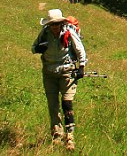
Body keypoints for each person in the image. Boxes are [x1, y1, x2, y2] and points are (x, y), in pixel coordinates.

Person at [32, 8, 86, 150]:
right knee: (53, 105)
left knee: (67, 103)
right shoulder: (44, 34)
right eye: (52, 24)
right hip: (49, 73)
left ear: (61, 23)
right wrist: (39, 48)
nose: (55, 27)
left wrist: (81, 67)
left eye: (57, 24)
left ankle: (70, 137)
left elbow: (80, 50)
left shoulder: (69, 32)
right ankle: (56, 135)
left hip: (67, 72)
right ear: (48, 25)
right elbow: (33, 47)